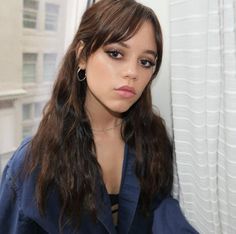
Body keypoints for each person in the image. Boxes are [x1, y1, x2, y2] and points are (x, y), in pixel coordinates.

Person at [0, 0, 175, 233]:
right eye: (115, 53)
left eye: (145, 62)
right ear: (82, 56)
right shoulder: (33, 163)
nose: (132, 72)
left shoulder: (154, 140)